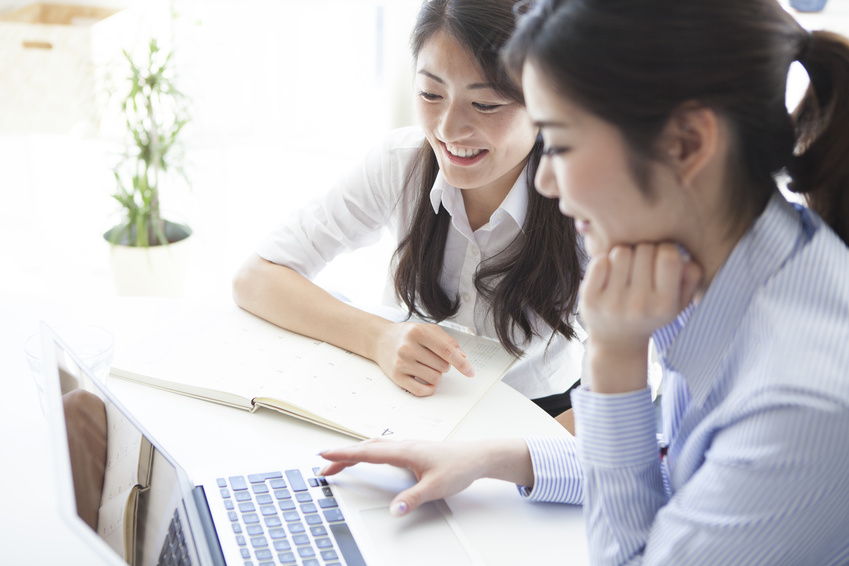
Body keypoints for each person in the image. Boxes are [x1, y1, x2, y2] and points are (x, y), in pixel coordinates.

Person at [318, 0, 849, 563]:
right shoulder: (751, 262)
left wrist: (616, 366)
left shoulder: (798, 404)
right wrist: (488, 458)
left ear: (688, 144)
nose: (545, 178)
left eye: (561, 144)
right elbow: (686, 468)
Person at [232, 0, 587, 424]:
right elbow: (256, 276)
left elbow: (636, 385)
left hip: (542, 417)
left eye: (486, 104)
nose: (447, 130)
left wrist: (520, 457)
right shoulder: (401, 163)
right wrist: (380, 337)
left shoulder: (590, 200)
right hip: (410, 404)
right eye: (430, 94)